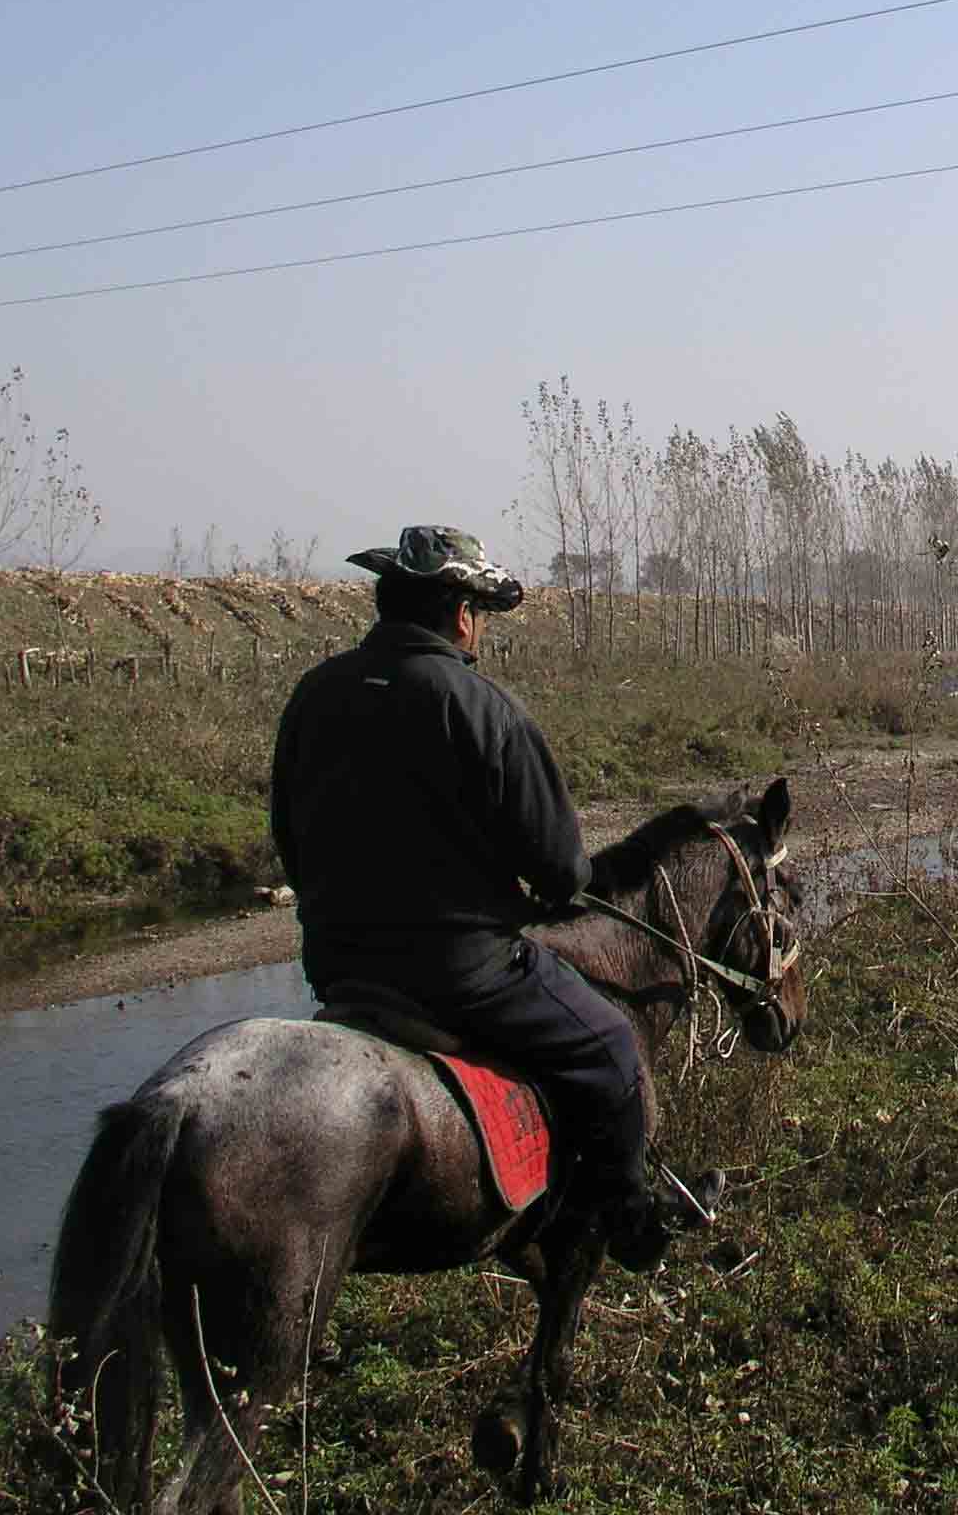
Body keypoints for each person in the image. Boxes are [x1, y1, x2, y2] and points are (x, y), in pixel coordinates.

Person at [269, 523, 670, 1271]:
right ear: (460, 614)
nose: (477, 629)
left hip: (337, 962)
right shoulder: (482, 707)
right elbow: (558, 873)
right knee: (611, 1047)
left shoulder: (315, 693)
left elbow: (288, 837)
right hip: (462, 974)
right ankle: (626, 1214)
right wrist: (561, 886)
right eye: (478, 614)